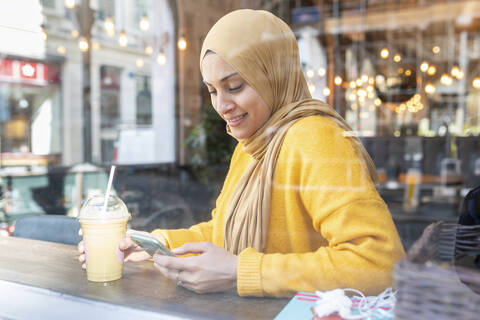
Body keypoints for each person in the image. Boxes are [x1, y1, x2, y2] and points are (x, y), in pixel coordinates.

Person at [78, 9, 405, 298]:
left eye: (234, 86)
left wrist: (242, 272)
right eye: (213, 91)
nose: (221, 105)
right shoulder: (251, 145)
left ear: (274, 74)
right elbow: (222, 233)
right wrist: (155, 243)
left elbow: (379, 263)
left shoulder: (317, 138)